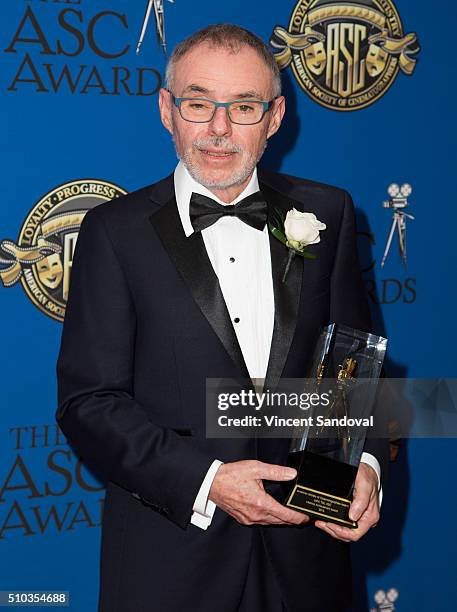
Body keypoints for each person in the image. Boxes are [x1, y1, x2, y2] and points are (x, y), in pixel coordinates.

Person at [56, 24, 387, 612]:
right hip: (171, 560)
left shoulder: (328, 211)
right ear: (167, 109)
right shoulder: (114, 232)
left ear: (276, 116)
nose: (219, 128)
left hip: (306, 560)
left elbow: (354, 367)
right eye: (199, 102)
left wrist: (362, 463)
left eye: (244, 106)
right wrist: (208, 481)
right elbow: (90, 403)